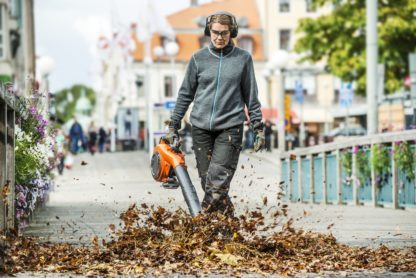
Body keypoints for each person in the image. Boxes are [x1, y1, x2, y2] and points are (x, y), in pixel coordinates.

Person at [166, 11, 265, 216]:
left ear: (232, 33)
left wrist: (258, 126)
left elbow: (251, 96)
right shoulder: (198, 59)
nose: (219, 37)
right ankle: (229, 230)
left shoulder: (243, 59)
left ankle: (202, 227)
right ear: (208, 31)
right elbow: (185, 94)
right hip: (200, 129)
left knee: (216, 184)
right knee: (208, 183)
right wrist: (173, 125)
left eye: (224, 33)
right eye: (215, 32)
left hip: (230, 129)